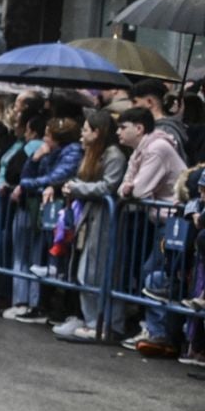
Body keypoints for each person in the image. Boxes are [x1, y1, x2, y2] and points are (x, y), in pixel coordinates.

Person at [111, 107, 190, 354]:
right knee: (154, 272)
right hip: (161, 221)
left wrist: (129, 189)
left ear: (140, 128)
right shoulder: (139, 152)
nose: (118, 132)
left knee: (156, 274)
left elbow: (137, 190)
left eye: (123, 127)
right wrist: (128, 188)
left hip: (174, 222)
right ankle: (157, 330)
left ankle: (160, 333)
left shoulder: (157, 148)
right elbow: (123, 187)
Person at [49, 110, 125, 336]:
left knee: (97, 273)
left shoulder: (114, 155)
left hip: (104, 219)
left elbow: (108, 186)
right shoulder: (92, 153)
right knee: (85, 273)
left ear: (97, 131)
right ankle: (92, 321)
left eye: (85, 129)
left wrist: (76, 188)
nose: (81, 134)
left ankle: (102, 324)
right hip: (89, 217)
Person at [3, 116, 82, 324]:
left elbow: (56, 177)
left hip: (55, 208)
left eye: (48, 134)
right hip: (38, 204)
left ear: (58, 137)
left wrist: (28, 185)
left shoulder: (72, 152)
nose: (44, 138)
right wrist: (35, 158)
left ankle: (40, 306)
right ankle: (26, 303)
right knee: (33, 255)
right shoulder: (48, 151)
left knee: (45, 256)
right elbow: (28, 175)